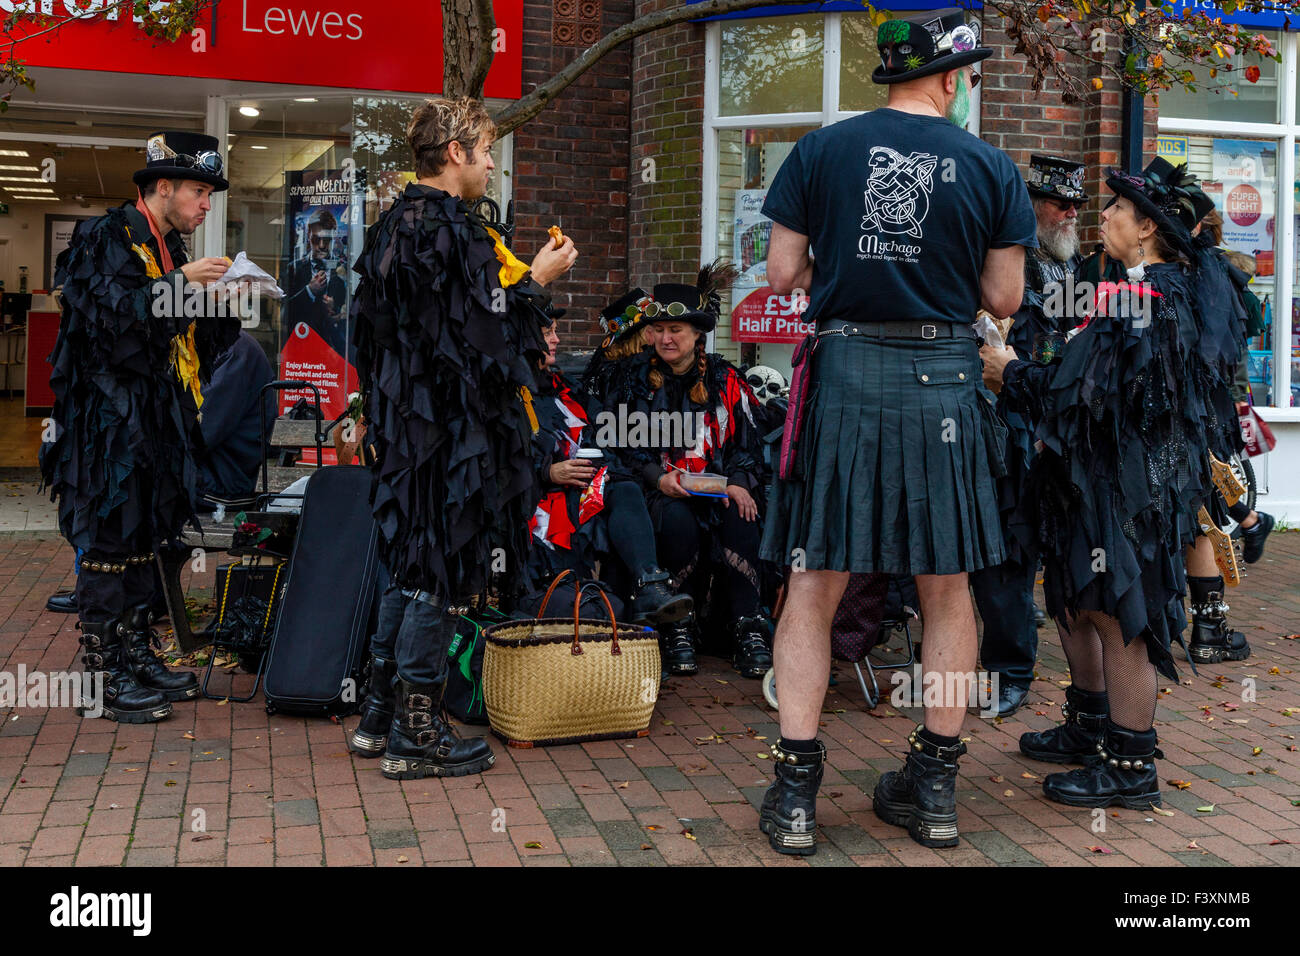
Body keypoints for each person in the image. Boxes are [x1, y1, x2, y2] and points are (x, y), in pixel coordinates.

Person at [755, 8, 1035, 855]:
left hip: (843, 375)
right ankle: (935, 788)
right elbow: (1005, 301)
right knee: (945, 586)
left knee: (815, 582)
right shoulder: (990, 166)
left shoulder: (818, 150)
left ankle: (797, 795)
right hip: (944, 382)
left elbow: (781, 273)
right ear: (951, 79)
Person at [347, 97, 578, 777]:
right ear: (455, 153)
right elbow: (479, 335)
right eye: (485, 153)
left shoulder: (393, 224)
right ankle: (415, 732)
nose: (490, 168)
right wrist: (536, 279)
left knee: (414, 560)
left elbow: (384, 335)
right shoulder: (446, 226)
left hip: (413, 426)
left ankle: (380, 715)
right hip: (452, 430)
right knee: (442, 570)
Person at [982, 158, 1220, 810]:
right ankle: (1089, 725)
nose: (1104, 217)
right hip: (1097, 482)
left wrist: (1008, 372)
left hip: (1125, 489)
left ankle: (1129, 764)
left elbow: (1080, 395)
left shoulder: (1147, 300)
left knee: (1122, 620)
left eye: (1117, 209)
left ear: (1146, 228)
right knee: (1081, 600)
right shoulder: (1144, 289)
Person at [40, 131, 239, 722]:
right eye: (199, 191)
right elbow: (109, 325)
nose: (206, 204)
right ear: (161, 187)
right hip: (107, 422)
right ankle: (101, 674)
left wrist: (224, 298)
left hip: (154, 417)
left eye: (208, 193)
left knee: (142, 536)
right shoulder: (106, 237)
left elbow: (181, 336)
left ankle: (134, 649)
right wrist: (182, 287)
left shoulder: (167, 248)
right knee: (108, 538)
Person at [605, 264, 773, 680]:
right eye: (659, 329)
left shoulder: (726, 379)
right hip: (660, 493)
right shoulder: (632, 381)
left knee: (743, 515)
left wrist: (738, 483)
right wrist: (656, 477)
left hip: (718, 490)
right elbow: (620, 448)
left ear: (697, 334)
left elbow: (745, 445)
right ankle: (678, 625)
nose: (666, 338)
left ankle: (745, 626)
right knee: (678, 521)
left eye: (676, 329)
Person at [971, 155, 1086, 718]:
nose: (1069, 214)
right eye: (1059, 203)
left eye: (1076, 206)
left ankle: (1084, 692)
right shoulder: (1000, 263)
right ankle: (1008, 671)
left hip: (1062, 430)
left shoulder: (1083, 270)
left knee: (1066, 561)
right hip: (1004, 428)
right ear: (1031, 205)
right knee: (1004, 554)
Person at [526, 307, 692, 627]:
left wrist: (605, 464)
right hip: (536, 494)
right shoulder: (508, 392)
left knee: (624, 486)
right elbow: (495, 462)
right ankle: (626, 609)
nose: (557, 339)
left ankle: (649, 586)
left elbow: (604, 434)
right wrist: (548, 472)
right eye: (549, 333)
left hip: (579, 485)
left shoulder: (564, 387)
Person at [195, 330, 276, 502]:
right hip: (215, 475)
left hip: (222, 481)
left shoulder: (233, 349)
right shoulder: (222, 344)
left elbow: (202, 433)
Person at [283, 208, 350, 359]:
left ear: (334, 238)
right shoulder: (295, 268)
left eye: (326, 240)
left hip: (333, 353)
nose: (321, 245)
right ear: (308, 237)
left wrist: (336, 310)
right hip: (300, 349)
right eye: (315, 239)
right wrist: (309, 291)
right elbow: (284, 314)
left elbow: (351, 316)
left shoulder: (345, 273)